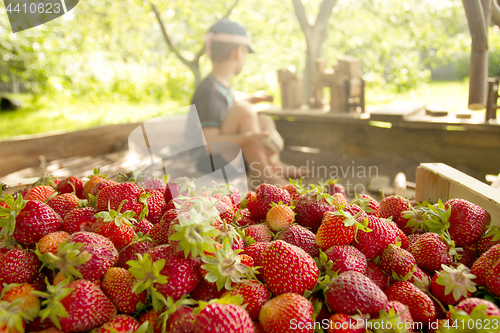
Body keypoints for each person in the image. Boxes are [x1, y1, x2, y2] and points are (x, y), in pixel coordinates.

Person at [185, 19, 308, 187]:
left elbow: (229, 101)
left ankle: (274, 165)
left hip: (225, 158)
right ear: (239, 51)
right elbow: (211, 144)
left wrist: (254, 97)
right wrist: (249, 137)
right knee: (244, 111)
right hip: (208, 163)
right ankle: (267, 176)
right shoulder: (208, 93)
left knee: (263, 119)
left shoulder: (219, 86)